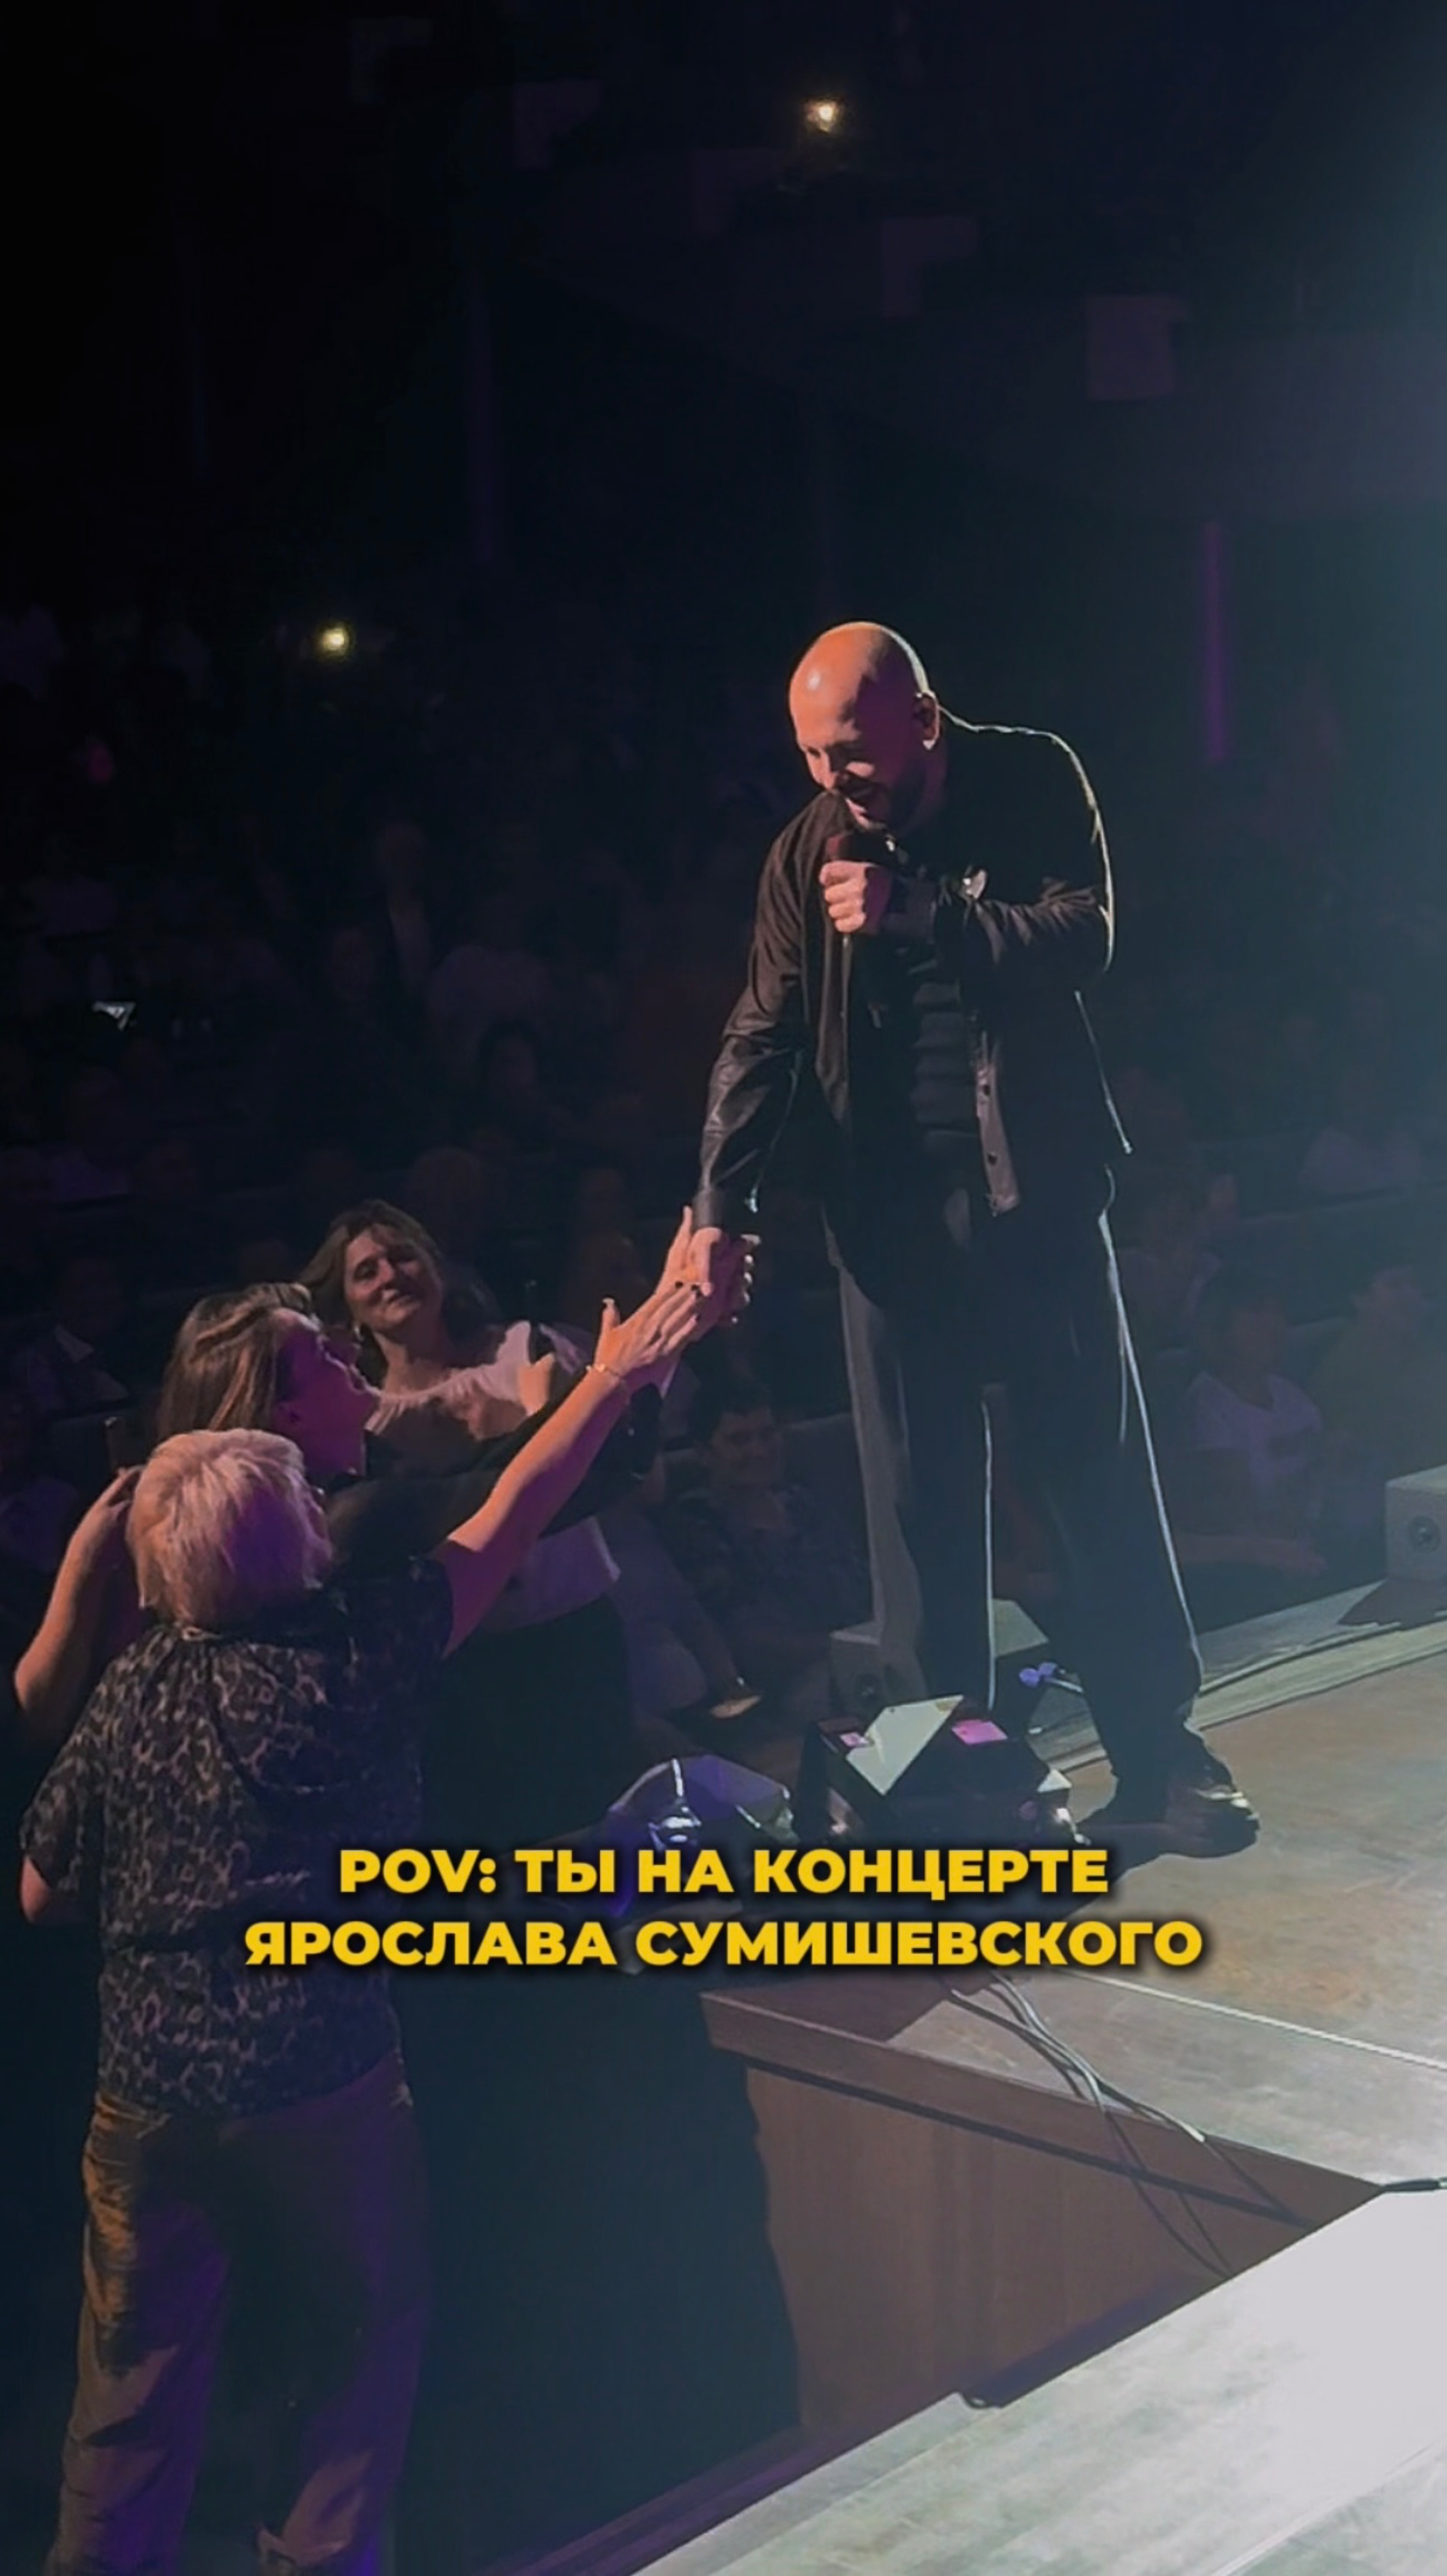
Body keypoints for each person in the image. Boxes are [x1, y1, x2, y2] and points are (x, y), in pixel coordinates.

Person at [16, 1251, 722, 2576]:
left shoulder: (138, 1684)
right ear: (287, 1529)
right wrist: (623, 1372)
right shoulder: (362, 1645)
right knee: (347, 2376)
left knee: (126, 2407)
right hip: (319, 2082)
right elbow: (515, 1506)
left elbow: (41, 1891)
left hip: (143, 2096)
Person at [685, 621, 1255, 1852]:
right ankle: (955, 1792)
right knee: (920, 1521)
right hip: (891, 1227)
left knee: (1092, 1479)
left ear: (925, 722)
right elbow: (762, 1033)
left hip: (1032, 1198)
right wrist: (721, 1210)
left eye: (852, 750)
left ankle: (1160, 1754)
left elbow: (1083, 935)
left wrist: (920, 913)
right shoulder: (806, 853)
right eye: (811, 755)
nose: (833, 777)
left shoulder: (1031, 778)